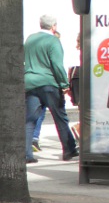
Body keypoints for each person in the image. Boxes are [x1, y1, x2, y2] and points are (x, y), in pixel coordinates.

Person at [24, 14, 77, 162]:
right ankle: (69, 150)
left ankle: (27, 154)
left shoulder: (30, 39)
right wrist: (65, 85)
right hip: (49, 83)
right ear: (54, 26)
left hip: (30, 83)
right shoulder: (53, 41)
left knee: (30, 120)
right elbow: (57, 65)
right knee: (60, 117)